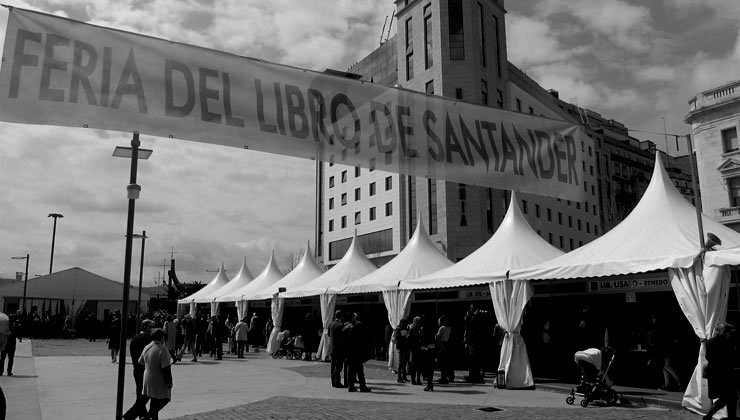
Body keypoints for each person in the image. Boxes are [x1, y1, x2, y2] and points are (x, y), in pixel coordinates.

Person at [703, 322, 738, 420]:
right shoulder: (727, 343)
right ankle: (710, 415)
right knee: (730, 398)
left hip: (714, 374)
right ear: (724, 332)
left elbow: (708, 357)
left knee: (728, 398)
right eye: (729, 332)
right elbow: (731, 359)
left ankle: (711, 415)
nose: (730, 334)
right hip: (725, 374)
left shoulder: (710, 342)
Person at [139, 328, 173, 420]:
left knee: (154, 401)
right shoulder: (162, 349)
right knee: (165, 399)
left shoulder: (147, 347)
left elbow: (140, 362)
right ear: (162, 338)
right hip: (158, 379)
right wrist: (169, 381)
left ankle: (151, 417)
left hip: (147, 378)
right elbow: (166, 368)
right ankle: (146, 417)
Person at [123, 319, 154, 420]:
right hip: (146, 369)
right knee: (147, 393)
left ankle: (141, 414)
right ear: (145, 327)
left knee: (140, 392)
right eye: (150, 327)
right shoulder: (148, 339)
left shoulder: (134, 338)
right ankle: (132, 414)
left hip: (136, 369)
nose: (152, 329)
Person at [344, 313, 370, 392]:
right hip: (357, 351)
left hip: (349, 352)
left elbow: (343, 341)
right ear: (352, 318)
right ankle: (362, 386)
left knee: (351, 370)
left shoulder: (345, 328)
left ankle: (351, 386)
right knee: (359, 370)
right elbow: (362, 340)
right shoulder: (357, 327)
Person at [327, 310, 345, 388]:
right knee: (339, 366)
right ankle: (337, 381)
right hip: (338, 348)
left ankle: (333, 382)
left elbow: (328, 334)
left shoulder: (331, 324)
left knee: (333, 365)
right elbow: (343, 337)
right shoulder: (340, 325)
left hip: (332, 348)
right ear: (341, 316)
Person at [420, 315, 437, 392]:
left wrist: (423, 347)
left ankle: (429, 384)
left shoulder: (425, 329)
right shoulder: (433, 328)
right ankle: (430, 384)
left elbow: (424, 340)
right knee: (430, 368)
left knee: (427, 367)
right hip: (432, 350)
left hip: (427, 350)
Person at [436, 315, 454, 384]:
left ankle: (443, 377)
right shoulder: (449, 327)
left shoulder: (442, 328)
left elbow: (438, 336)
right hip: (447, 344)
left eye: (439, 321)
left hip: (442, 344)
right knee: (447, 362)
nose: (438, 322)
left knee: (442, 362)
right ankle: (450, 376)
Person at [407, 316, 424, 385]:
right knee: (418, 365)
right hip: (417, 348)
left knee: (414, 364)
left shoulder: (413, 329)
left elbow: (408, 338)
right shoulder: (419, 330)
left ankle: (414, 379)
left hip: (414, 348)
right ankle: (417, 379)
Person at [394, 317, 410, 383]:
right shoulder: (398, 329)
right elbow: (396, 338)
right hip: (401, 347)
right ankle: (399, 377)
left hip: (406, 347)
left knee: (405, 362)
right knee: (401, 362)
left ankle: (404, 377)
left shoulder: (407, 328)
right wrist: (403, 336)